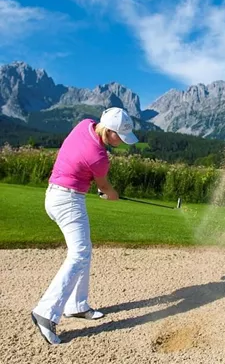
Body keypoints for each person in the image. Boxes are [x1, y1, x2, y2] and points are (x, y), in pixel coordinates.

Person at [31, 107, 138, 345]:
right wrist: (112, 194)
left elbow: (86, 171)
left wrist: (101, 189)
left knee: (83, 250)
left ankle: (77, 305)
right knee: (79, 254)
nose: (122, 142)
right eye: (120, 136)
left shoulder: (84, 124)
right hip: (68, 201)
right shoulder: (99, 157)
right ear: (109, 132)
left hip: (54, 195)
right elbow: (105, 188)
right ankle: (45, 312)